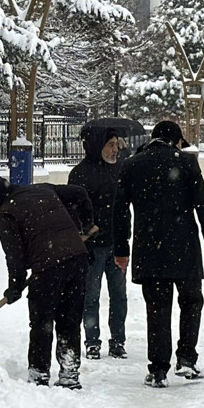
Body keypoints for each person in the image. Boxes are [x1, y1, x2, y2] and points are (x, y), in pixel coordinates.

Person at [112, 120, 204, 389]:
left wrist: (121, 249)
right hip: (184, 247)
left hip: (149, 248)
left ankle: (158, 369)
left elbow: (120, 210)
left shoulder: (132, 165)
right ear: (176, 140)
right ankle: (186, 357)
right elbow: (202, 206)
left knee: (158, 308)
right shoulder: (187, 163)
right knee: (191, 301)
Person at [0, 175, 93, 389]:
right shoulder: (43, 189)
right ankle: (70, 374)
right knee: (69, 321)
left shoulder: (6, 214)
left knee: (42, 322)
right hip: (77, 260)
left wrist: (15, 286)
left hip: (48, 267)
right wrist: (86, 225)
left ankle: (39, 375)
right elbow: (79, 192)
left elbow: (15, 257)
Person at [68, 124, 128, 360]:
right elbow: (73, 210)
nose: (115, 150)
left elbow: (125, 207)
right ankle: (92, 341)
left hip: (116, 243)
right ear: (97, 147)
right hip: (91, 245)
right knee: (90, 295)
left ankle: (118, 341)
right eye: (111, 145)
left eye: (116, 145)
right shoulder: (80, 174)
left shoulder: (120, 170)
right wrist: (83, 236)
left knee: (119, 295)